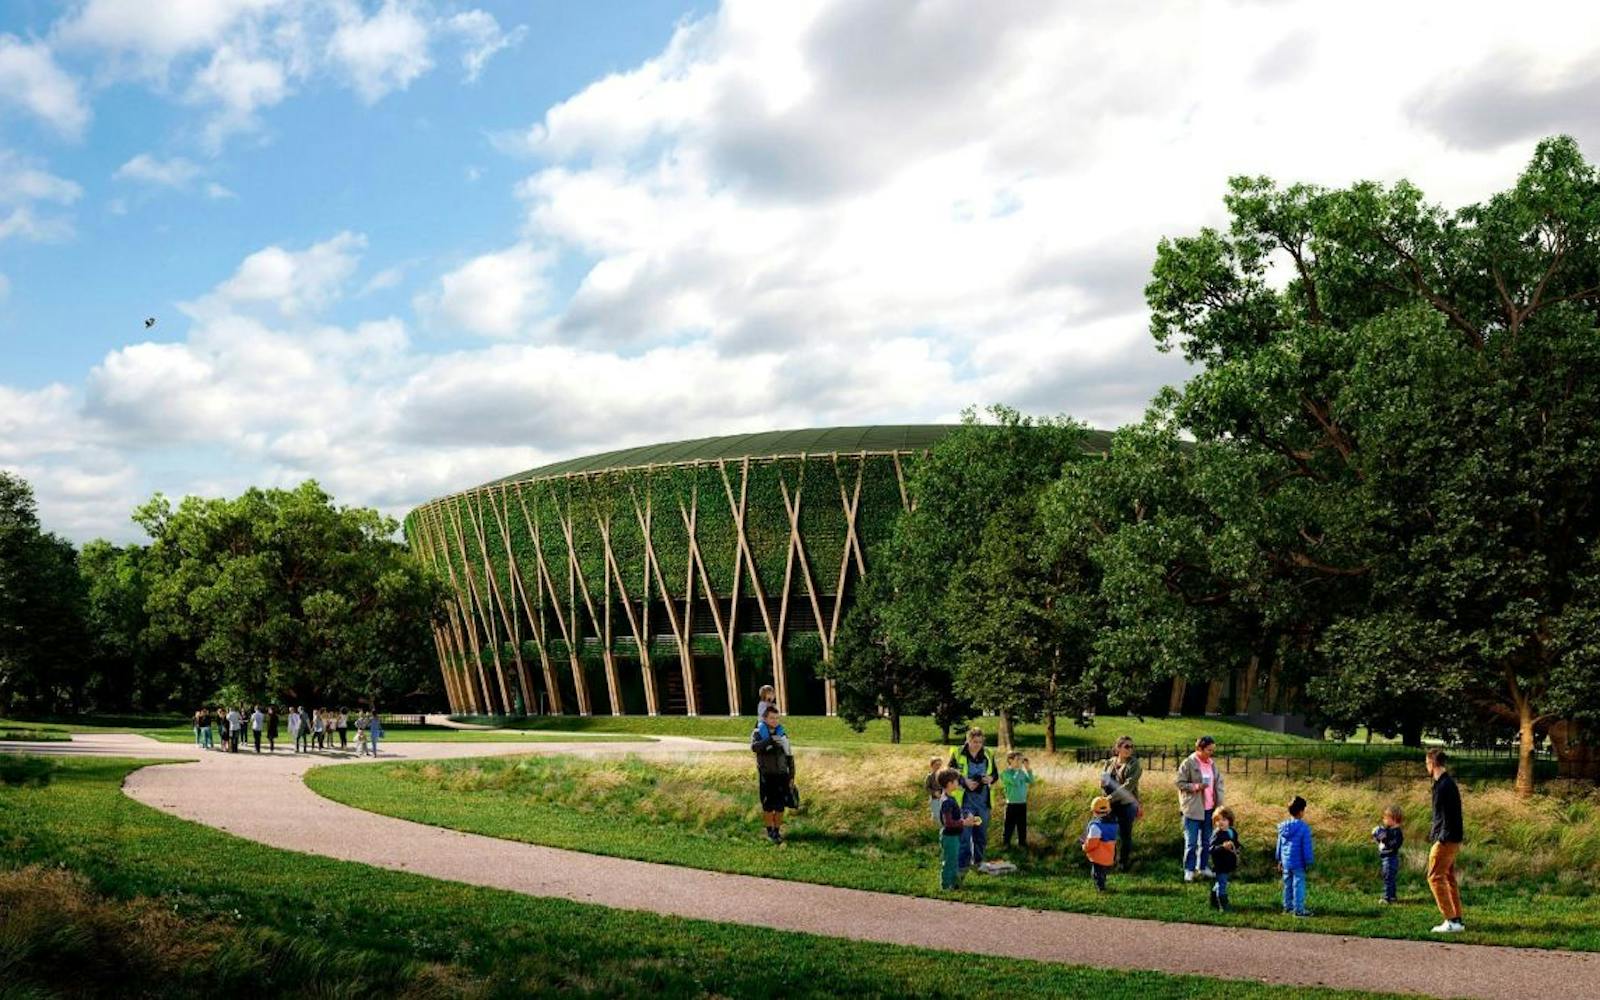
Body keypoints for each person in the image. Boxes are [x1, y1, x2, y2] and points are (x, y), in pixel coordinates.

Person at [1426, 748, 1465, 933]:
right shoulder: (1445, 783)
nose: (1426, 767)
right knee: (1448, 877)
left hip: (1446, 839)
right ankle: (1456, 919)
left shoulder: (1444, 786)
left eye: (1427, 763)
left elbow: (1449, 816)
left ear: (1432, 763)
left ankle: (1450, 921)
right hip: (1450, 837)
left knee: (1435, 877)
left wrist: (1440, 838)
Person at [1175, 735, 1224, 881]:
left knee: (1206, 842)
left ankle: (1202, 867)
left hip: (1210, 809)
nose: (1211, 753)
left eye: (1212, 750)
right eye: (1209, 750)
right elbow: (1179, 783)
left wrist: (1219, 806)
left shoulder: (1212, 764)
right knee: (1191, 843)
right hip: (1193, 809)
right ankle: (1189, 870)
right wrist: (1196, 786)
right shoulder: (1188, 763)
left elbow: (1218, 785)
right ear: (1199, 749)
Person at [949, 727, 998, 872]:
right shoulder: (957, 752)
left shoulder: (988, 753)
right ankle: (962, 865)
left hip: (983, 801)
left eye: (980, 742)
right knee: (965, 835)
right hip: (965, 801)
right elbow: (950, 773)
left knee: (981, 834)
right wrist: (964, 781)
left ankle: (978, 862)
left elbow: (995, 774)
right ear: (968, 740)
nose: (977, 745)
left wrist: (990, 779)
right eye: (974, 742)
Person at [751, 706, 794, 845]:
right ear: (765, 718)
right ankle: (769, 831)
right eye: (771, 718)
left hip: (782, 775)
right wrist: (770, 741)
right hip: (766, 775)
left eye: (776, 718)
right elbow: (754, 747)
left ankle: (777, 831)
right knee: (768, 805)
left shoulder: (783, 734)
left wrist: (792, 775)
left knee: (780, 806)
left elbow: (790, 756)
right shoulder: (757, 733)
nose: (775, 720)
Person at [1100, 735, 1143, 870]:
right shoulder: (1109, 763)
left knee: (1124, 835)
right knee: (1108, 833)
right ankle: (1108, 861)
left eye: (1132, 747)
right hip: (1109, 804)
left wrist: (1109, 798)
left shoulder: (1134, 764)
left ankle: (1123, 864)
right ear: (1118, 748)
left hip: (1126, 804)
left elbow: (1128, 787)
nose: (1130, 749)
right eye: (1126, 746)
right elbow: (1103, 783)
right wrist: (1104, 797)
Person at [937, 768, 979, 890]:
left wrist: (968, 817)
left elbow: (958, 814)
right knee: (949, 861)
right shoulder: (946, 801)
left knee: (955, 860)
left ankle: (955, 884)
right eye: (956, 781)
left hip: (954, 835)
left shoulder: (951, 797)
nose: (958, 783)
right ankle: (945, 886)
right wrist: (964, 822)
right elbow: (948, 823)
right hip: (949, 837)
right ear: (950, 784)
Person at [1276, 794, 1314, 917]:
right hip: (1299, 862)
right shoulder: (1304, 828)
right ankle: (1298, 909)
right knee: (1298, 885)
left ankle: (1287, 907)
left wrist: (1279, 859)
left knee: (1287, 885)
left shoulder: (1283, 827)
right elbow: (1306, 846)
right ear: (1301, 811)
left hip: (1286, 861)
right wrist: (1308, 861)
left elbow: (1279, 844)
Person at [1080, 795, 1119, 892]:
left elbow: (1092, 843)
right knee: (1103, 871)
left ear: (1094, 811)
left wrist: (1084, 847)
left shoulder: (1095, 827)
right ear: (1109, 810)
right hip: (1109, 853)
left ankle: (1101, 889)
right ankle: (1102, 884)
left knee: (1096, 873)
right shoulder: (1114, 824)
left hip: (1098, 856)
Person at [1000, 751, 1036, 851]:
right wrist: (1018, 770)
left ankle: (1022, 843)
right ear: (1010, 760)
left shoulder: (1021, 772)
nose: (1020, 762)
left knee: (1022, 825)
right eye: (1018, 759)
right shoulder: (1005, 773)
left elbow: (1031, 781)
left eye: (1021, 760)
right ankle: (1006, 843)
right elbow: (1014, 781)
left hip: (1022, 803)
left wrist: (1028, 769)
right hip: (1011, 804)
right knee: (1009, 825)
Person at [1209, 807, 1240, 912]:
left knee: (1220, 882)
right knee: (1222, 884)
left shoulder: (1232, 832)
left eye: (1224, 819)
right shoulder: (1217, 834)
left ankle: (1214, 900)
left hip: (1228, 863)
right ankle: (1223, 906)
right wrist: (1222, 847)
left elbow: (1235, 842)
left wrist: (1237, 847)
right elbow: (1211, 849)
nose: (1221, 822)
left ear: (1229, 821)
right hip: (1220, 864)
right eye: (1218, 820)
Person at [1373, 804, 1405, 905]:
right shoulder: (1387, 829)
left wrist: (1384, 839)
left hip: (1391, 858)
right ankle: (1392, 897)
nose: (1384, 820)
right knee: (1389, 877)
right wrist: (1377, 836)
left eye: (1386, 818)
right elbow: (1381, 841)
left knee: (1388, 878)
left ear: (1394, 819)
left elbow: (1394, 845)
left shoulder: (1397, 833)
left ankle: (1387, 897)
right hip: (1385, 857)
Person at [925, 757, 945, 825]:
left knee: (942, 813)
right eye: (936, 765)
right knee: (936, 813)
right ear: (932, 765)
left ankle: (939, 825)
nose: (938, 766)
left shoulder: (942, 775)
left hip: (942, 797)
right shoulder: (930, 776)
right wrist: (934, 792)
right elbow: (927, 788)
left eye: (940, 765)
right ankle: (937, 826)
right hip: (934, 798)